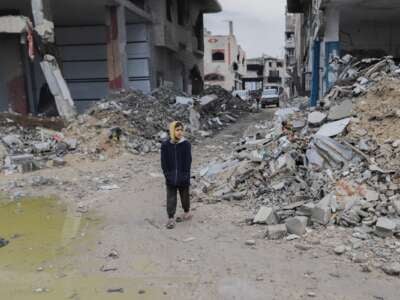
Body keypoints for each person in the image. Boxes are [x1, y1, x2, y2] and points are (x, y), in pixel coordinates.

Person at [161, 121, 192, 229]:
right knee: (171, 197)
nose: (179, 132)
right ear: (172, 131)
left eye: (181, 130)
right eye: (177, 130)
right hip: (171, 177)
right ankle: (171, 218)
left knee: (184, 196)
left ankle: (187, 212)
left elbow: (188, 161)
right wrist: (167, 174)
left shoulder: (186, 144)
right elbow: (163, 162)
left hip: (183, 175)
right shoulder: (165, 145)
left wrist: (185, 175)